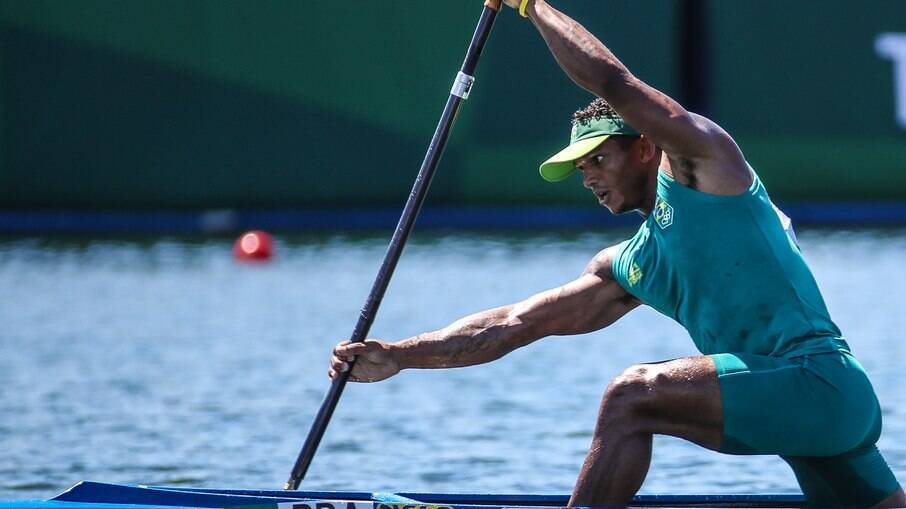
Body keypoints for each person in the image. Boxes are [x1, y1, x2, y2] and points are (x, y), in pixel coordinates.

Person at [330, 1, 905, 506]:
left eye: (598, 159)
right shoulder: (635, 263)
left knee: (632, 396)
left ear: (645, 148)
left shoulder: (707, 166)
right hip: (806, 412)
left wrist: (531, 6)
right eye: (580, 169)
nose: (588, 178)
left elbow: (615, 84)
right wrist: (400, 355)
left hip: (817, 383)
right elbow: (511, 324)